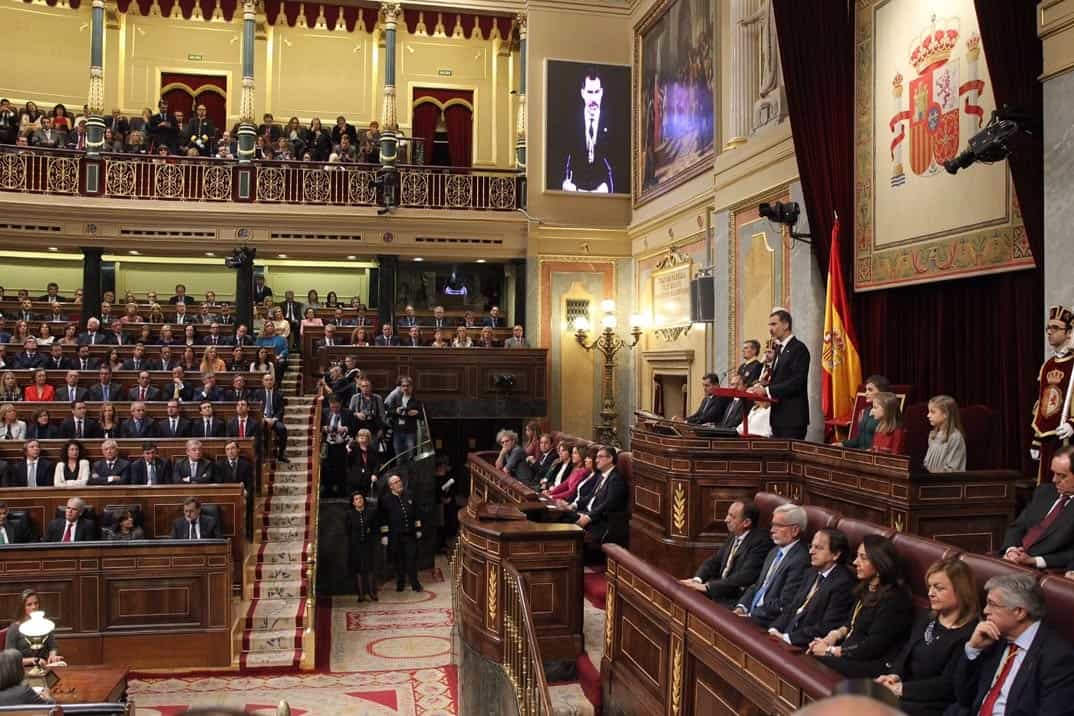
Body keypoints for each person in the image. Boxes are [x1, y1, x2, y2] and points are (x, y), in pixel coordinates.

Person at [948, 573, 1074, 715]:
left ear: (1019, 612)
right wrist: (973, 649)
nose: (985, 611)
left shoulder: (1058, 657)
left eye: (992, 604)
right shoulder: (993, 637)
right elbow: (963, 697)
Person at [874, 558, 979, 715]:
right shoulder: (928, 617)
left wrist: (901, 689)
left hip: (934, 705)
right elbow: (905, 652)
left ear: (961, 591)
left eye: (938, 588)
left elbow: (947, 685)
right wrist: (893, 676)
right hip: (906, 691)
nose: (930, 593)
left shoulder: (969, 634)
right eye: (929, 587)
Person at [809, 535, 914, 677]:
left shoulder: (894, 600)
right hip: (850, 651)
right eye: (857, 556)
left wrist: (830, 651)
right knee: (811, 652)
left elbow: (872, 646)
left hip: (873, 663)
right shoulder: (866, 587)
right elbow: (851, 622)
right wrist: (831, 637)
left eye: (863, 558)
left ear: (880, 564)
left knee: (814, 661)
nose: (855, 562)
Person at [767, 527, 854, 647]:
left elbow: (827, 626)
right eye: (811, 546)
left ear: (836, 554)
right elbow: (793, 607)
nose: (811, 551)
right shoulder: (811, 572)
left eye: (818, 548)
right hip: (786, 635)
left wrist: (788, 638)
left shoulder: (843, 583)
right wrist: (774, 628)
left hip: (805, 645)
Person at [681, 500, 773, 606]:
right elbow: (715, 561)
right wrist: (697, 580)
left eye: (732, 517)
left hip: (734, 598)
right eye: (728, 515)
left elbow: (745, 577)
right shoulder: (735, 534)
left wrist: (708, 587)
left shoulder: (761, 541)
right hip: (719, 590)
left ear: (746, 522)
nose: (726, 520)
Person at [734, 503, 810, 627]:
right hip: (750, 615)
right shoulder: (774, 551)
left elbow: (785, 603)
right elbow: (758, 585)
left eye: (778, 526)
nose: (772, 530)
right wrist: (742, 607)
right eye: (772, 525)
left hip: (768, 624)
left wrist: (751, 616)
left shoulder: (800, 560)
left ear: (795, 530)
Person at [1001, 445, 1074, 569]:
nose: (1054, 480)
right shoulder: (1044, 492)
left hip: (1042, 569)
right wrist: (1011, 550)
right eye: (1053, 473)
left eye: (1062, 476)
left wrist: (1035, 561)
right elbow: (1018, 527)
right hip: (1013, 560)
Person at [750, 309, 810, 439]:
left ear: (786, 325)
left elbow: (796, 382)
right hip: (777, 418)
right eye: (769, 325)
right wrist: (764, 383)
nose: (770, 329)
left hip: (792, 419)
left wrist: (767, 390)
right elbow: (778, 378)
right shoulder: (778, 350)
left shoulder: (798, 349)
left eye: (774, 324)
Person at [1031, 305, 1074, 484]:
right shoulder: (1047, 366)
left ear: (1069, 332)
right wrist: (1036, 440)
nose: (1049, 332)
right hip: (1048, 437)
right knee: (1047, 488)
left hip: (1068, 437)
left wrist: (1073, 423)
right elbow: (1043, 404)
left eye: (1055, 328)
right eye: (1048, 327)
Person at [560, 68, 616, 193]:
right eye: (590, 92)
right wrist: (565, 183)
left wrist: (608, 187)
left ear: (601, 92)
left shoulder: (614, 124)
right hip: (575, 192)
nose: (593, 98)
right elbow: (561, 158)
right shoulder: (569, 123)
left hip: (605, 193)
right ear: (582, 93)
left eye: (596, 92)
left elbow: (618, 163)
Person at [566, 445, 627, 544]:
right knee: (560, 514)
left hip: (598, 522)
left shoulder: (616, 480)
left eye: (600, 457)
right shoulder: (601, 476)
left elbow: (608, 504)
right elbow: (589, 497)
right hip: (586, 513)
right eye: (596, 457)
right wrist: (572, 505)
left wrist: (588, 517)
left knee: (563, 525)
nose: (596, 460)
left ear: (610, 458)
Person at [380, 474, 423, 591]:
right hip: (395, 536)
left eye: (399, 481)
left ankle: (415, 583)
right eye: (395, 482)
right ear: (391, 487)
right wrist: (384, 535)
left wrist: (418, 529)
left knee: (412, 559)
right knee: (399, 560)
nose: (399, 483)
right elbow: (383, 519)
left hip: (410, 534)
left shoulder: (410, 495)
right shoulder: (386, 500)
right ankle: (401, 582)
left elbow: (416, 513)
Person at [6, 589, 61, 667]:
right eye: (29, 604)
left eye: (36, 603)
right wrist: (33, 660)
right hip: (23, 670)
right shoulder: (14, 629)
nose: (34, 607)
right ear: (22, 607)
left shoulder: (45, 624)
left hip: (44, 667)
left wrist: (53, 656)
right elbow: (10, 658)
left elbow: (53, 646)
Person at [842, 375, 891, 449]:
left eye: (870, 390)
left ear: (882, 392)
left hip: (874, 457)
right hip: (861, 455)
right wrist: (843, 444)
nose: (865, 393)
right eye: (866, 390)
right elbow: (859, 440)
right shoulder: (864, 412)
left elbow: (885, 445)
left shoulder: (886, 413)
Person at [346, 492, 378, 602]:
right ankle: (361, 594)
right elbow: (347, 530)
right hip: (355, 545)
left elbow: (375, 528)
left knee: (369, 568)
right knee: (358, 570)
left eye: (360, 498)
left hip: (368, 544)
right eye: (356, 499)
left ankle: (371, 592)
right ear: (353, 502)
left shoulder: (370, 512)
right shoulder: (349, 514)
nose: (359, 500)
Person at [923, 394, 966, 472]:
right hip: (930, 482)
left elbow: (953, 469)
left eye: (932, 412)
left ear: (945, 414)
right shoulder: (933, 435)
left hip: (945, 482)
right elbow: (927, 463)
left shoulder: (955, 437)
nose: (928, 415)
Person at [384, 377, 421, 461]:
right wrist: (396, 411)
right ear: (400, 387)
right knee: (398, 457)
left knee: (410, 456)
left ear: (412, 387)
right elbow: (388, 412)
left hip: (410, 432)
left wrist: (416, 413)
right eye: (403, 386)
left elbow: (424, 415)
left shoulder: (416, 400)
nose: (405, 388)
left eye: (408, 386)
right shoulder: (396, 399)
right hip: (397, 431)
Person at [255, 372, 289, 463]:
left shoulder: (279, 394)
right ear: (263, 382)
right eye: (266, 380)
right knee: (258, 429)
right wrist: (263, 418)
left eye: (270, 380)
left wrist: (274, 419)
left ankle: (281, 454)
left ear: (273, 382)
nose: (269, 382)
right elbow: (256, 408)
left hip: (274, 419)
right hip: (263, 419)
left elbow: (281, 410)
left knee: (282, 429)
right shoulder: (258, 393)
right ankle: (263, 455)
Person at [346, 428, 381, 496]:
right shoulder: (353, 448)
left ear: (368, 438)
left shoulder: (372, 450)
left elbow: (376, 464)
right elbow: (348, 463)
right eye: (360, 435)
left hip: (367, 479)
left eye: (364, 435)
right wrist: (348, 452)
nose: (361, 437)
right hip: (355, 479)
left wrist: (375, 474)